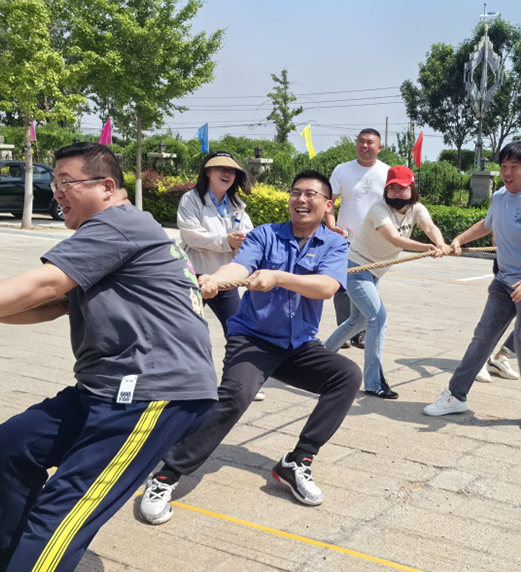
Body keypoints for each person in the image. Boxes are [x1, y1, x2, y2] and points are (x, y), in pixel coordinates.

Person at [0, 143, 217, 572]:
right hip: (105, 387)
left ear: (106, 187)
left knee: (62, 511)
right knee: (15, 442)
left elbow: (45, 282)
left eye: (66, 182)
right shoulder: (113, 233)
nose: (56, 192)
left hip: (153, 392)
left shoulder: (120, 223)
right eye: (54, 183)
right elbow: (51, 303)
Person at [139, 170, 362, 525]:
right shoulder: (265, 234)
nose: (301, 200)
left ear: (327, 205)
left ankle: (297, 461)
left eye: (311, 194)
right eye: (296, 192)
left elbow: (327, 288)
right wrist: (215, 280)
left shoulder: (333, 244)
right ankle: (166, 475)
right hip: (254, 340)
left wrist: (278, 277)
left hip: (299, 345)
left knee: (347, 375)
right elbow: (239, 267)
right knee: (236, 395)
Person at [423, 141, 521, 431]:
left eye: (514, 167)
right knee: (482, 337)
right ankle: (456, 396)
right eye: (503, 166)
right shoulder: (500, 197)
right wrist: (459, 239)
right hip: (504, 281)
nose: (507, 173)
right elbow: (487, 224)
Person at [325, 166, 449, 399]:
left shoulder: (416, 208)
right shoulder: (379, 209)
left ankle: (321, 355)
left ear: (412, 188)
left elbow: (429, 226)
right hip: (357, 268)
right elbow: (394, 238)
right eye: (392, 188)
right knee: (378, 319)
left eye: (403, 188)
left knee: (357, 321)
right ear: (386, 190)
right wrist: (427, 247)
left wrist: (440, 243)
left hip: (375, 272)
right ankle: (374, 382)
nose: (398, 193)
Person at [177, 151, 265, 402]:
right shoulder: (191, 199)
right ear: (208, 172)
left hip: (225, 279)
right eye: (220, 169)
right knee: (184, 330)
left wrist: (243, 242)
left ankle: (239, 383)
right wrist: (227, 241)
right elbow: (192, 235)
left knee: (237, 330)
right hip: (194, 277)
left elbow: (249, 236)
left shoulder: (237, 205)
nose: (227, 174)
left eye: (232, 171)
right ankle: (180, 383)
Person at [326, 128, 390, 348]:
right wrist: (331, 225)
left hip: (373, 243)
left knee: (368, 287)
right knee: (342, 288)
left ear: (379, 147)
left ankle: (360, 332)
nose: (364, 146)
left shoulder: (386, 172)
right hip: (345, 240)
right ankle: (343, 331)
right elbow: (328, 201)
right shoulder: (342, 170)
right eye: (361, 141)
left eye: (370, 142)